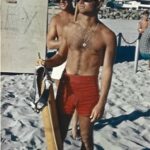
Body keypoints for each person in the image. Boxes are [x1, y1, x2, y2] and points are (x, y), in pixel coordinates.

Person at [38, 0, 116, 149]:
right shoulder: (69, 29)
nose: (80, 1)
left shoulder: (107, 35)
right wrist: (46, 63)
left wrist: (102, 102)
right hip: (67, 85)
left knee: (86, 136)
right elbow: (61, 56)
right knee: (59, 131)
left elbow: (107, 70)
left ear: (99, 3)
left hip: (89, 88)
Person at [46, 0, 79, 139]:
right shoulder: (56, 19)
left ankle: (75, 127)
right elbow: (49, 43)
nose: (62, 1)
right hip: (60, 59)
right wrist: (64, 41)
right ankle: (61, 126)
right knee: (62, 98)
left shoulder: (79, 17)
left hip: (78, 60)